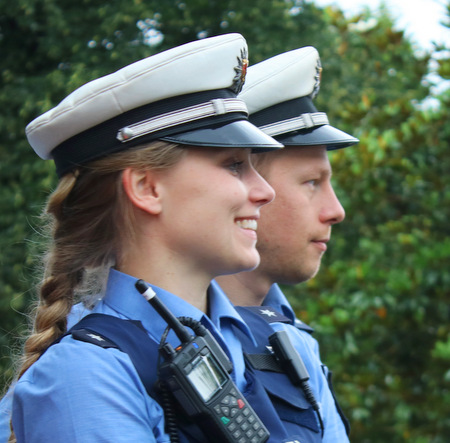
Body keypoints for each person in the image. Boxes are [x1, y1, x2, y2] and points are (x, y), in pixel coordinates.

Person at [8, 34, 284, 442]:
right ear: (147, 188)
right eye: (233, 165)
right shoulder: (86, 376)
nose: (265, 191)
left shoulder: (243, 343)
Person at [216, 46, 359, 441]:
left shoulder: (295, 338)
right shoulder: (153, 342)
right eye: (311, 182)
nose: (336, 211)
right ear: (247, 187)